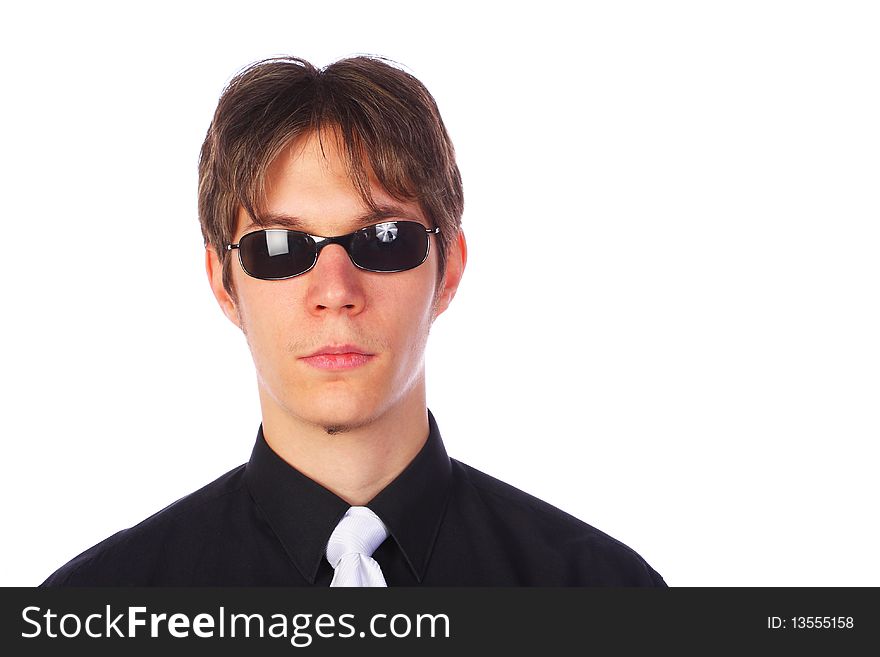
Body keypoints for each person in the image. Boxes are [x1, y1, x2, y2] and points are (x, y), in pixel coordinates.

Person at [42, 55, 665, 587]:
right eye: (280, 248)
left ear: (447, 269)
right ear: (223, 283)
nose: (334, 292)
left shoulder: (606, 595)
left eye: (384, 238)